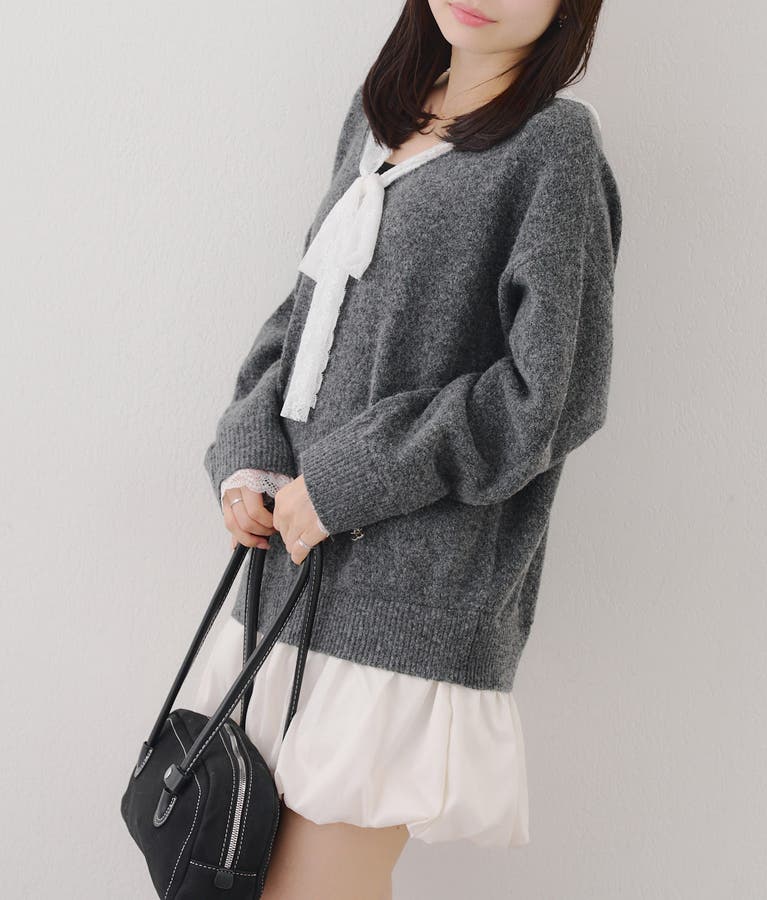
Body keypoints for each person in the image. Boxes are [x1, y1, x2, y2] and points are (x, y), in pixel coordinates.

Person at [193, 1, 622, 897]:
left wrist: (347, 479)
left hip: (410, 602)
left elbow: (549, 398)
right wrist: (249, 453)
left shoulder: (554, 148)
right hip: (286, 581)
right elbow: (305, 313)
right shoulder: (378, 115)